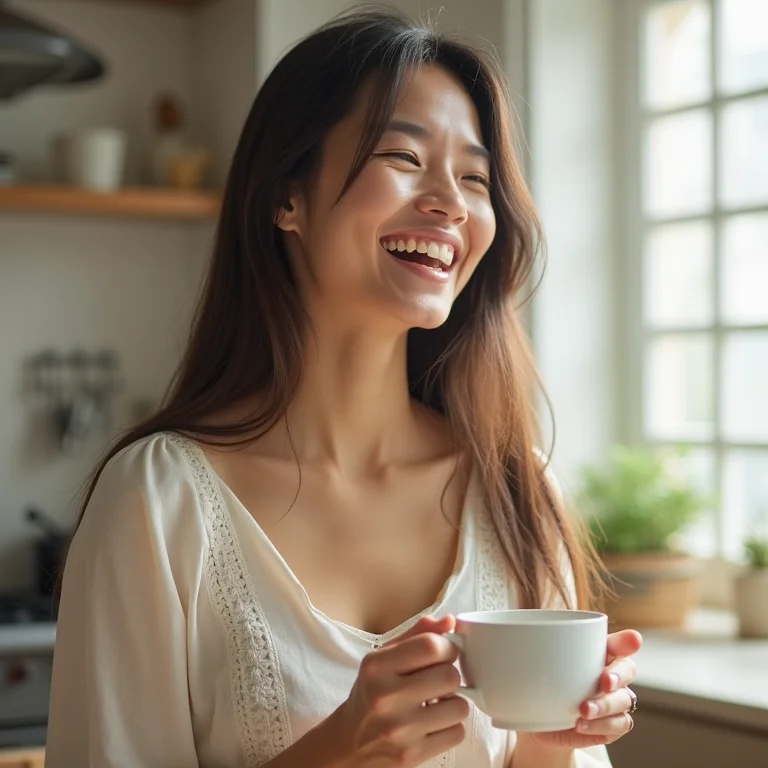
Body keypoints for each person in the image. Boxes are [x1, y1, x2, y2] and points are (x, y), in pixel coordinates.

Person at [45, 8, 642, 768]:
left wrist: (552, 740)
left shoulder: (515, 485)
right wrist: (336, 751)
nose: (451, 203)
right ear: (284, 198)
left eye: (475, 177)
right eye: (403, 155)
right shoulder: (158, 500)